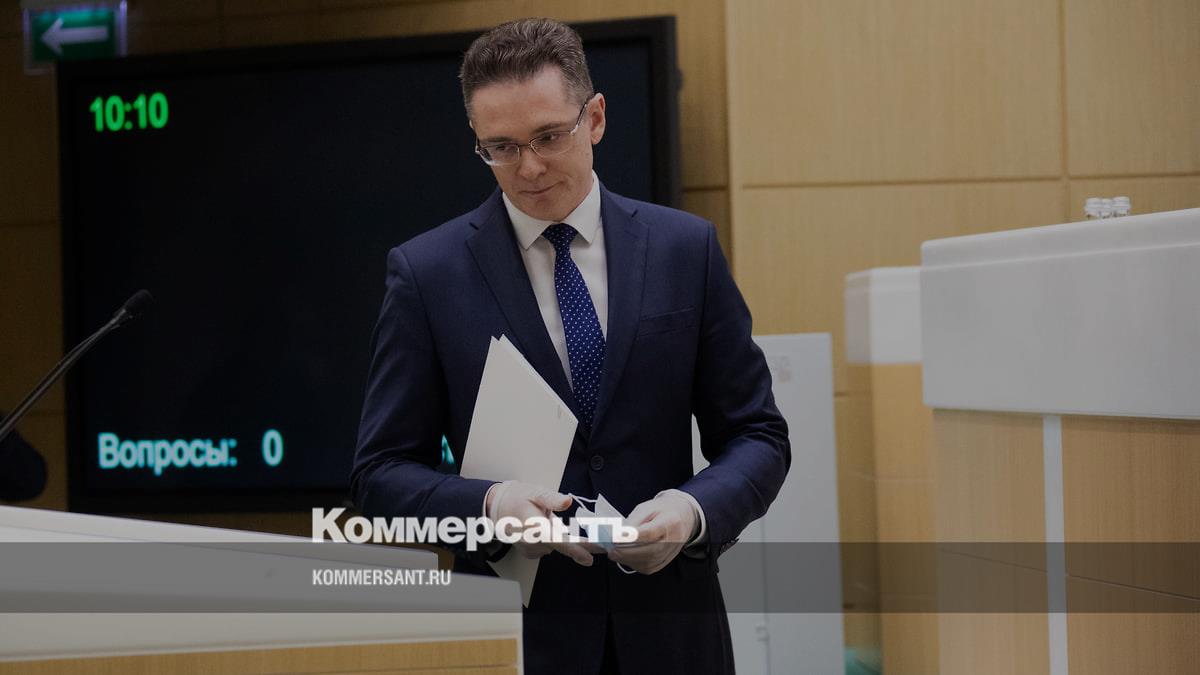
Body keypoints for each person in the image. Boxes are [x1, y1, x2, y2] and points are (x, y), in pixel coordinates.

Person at [352, 18, 789, 674]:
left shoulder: (684, 249)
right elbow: (380, 473)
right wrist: (489, 505)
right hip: (516, 638)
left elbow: (758, 435)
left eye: (549, 137)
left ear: (596, 119)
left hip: (672, 632)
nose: (528, 167)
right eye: (501, 147)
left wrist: (691, 511)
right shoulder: (427, 275)